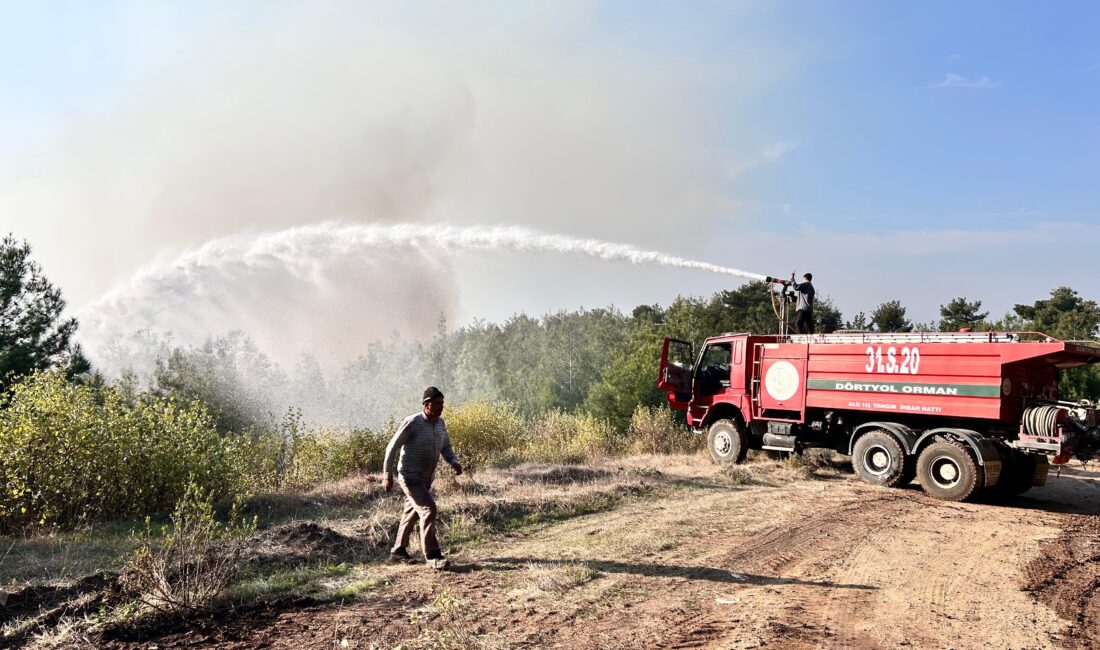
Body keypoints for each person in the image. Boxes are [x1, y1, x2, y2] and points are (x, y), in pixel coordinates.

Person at [382, 386, 463, 570]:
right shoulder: (412, 422)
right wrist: (387, 475)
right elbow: (392, 447)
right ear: (426, 404)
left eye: (442, 403)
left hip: (426, 478)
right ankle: (433, 556)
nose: (441, 407)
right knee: (428, 509)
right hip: (409, 477)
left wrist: (453, 461)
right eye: (437, 404)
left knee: (411, 513)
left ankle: (398, 551)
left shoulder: (440, 424)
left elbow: (446, 447)